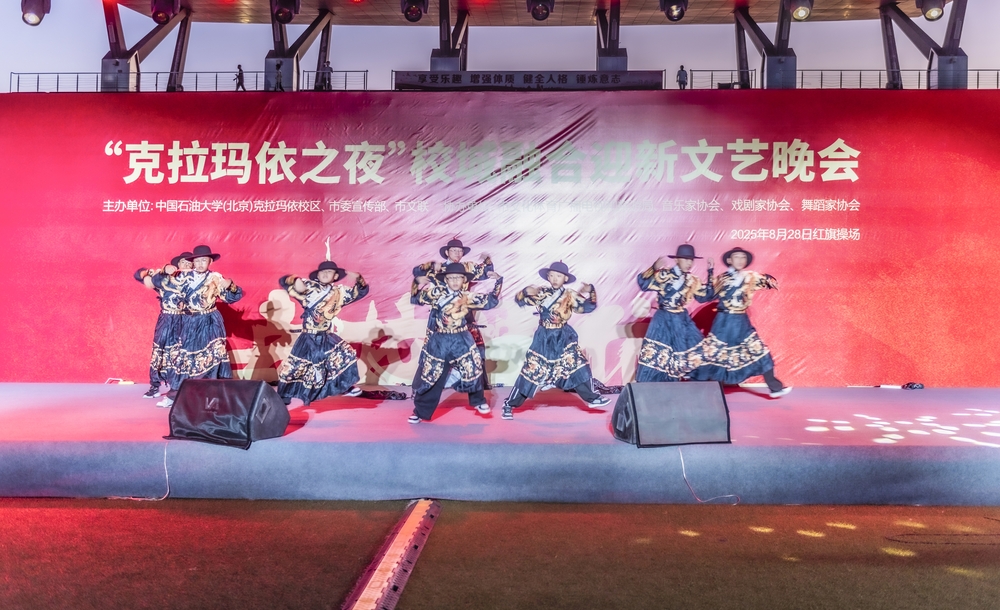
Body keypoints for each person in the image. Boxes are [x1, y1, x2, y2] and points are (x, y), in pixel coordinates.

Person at [502, 261, 610, 420]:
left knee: (576, 364)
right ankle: (510, 404)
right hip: (544, 337)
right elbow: (520, 300)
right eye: (551, 275)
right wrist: (525, 291)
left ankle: (592, 398)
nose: (554, 278)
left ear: (565, 278)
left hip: (563, 336)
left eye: (558, 276)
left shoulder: (570, 295)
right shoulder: (541, 292)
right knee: (532, 370)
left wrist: (591, 291)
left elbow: (589, 306)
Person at [408, 263, 503, 423]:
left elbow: (490, 301)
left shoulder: (467, 297)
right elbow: (416, 298)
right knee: (433, 374)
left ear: (463, 280)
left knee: (473, 366)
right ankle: (420, 411)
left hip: (461, 338)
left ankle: (478, 401)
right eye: (451, 278)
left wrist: (498, 282)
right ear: (446, 279)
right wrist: (417, 282)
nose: (454, 281)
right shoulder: (436, 293)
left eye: (458, 278)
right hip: (440, 340)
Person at [691, 247, 791, 398]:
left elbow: (771, 283)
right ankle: (700, 391)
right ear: (729, 260)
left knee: (759, 350)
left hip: (742, 322)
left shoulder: (751, 277)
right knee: (714, 356)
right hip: (723, 322)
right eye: (736, 257)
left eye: (743, 257)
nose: (740, 260)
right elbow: (706, 297)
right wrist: (710, 272)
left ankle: (775, 388)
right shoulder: (722, 279)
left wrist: (768, 279)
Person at [151, 245, 243, 408]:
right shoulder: (183, 276)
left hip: (210, 321)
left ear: (210, 262)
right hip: (189, 322)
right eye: (198, 261)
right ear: (193, 262)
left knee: (212, 358)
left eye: (204, 261)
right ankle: (174, 396)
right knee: (185, 359)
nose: (200, 264)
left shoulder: (215, 277)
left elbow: (230, 298)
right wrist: (165, 270)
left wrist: (231, 286)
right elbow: (158, 282)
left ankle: (211, 398)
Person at [276, 261, 369, 406]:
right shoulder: (311, 286)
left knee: (345, 353)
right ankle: (283, 396)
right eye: (322, 272)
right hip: (308, 336)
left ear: (335, 276)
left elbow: (359, 292)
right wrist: (295, 280)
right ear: (317, 275)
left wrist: (359, 279)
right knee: (296, 367)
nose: (325, 274)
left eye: (329, 272)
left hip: (325, 335)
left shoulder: (340, 293)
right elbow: (294, 286)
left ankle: (345, 386)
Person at [412, 238, 498, 388]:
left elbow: (485, 272)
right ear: (447, 252)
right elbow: (416, 272)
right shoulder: (438, 269)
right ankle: (422, 384)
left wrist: (487, 260)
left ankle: (478, 384)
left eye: (460, 251)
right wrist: (431, 265)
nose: (457, 253)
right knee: (432, 348)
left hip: (463, 311)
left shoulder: (467, 267)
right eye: (454, 250)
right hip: (440, 315)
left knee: (474, 345)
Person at [635, 244, 715, 382]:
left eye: (691, 260)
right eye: (685, 259)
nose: (689, 263)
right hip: (663, 319)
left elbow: (705, 296)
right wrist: (654, 268)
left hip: (681, 319)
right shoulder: (664, 275)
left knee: (699, 350)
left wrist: (710, 273)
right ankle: (656, 387)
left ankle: (689, 380)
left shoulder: (692, 280)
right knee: (660, 354)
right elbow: (643, 284)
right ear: (677, 259)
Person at [134, 252, 193, 399]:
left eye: (189, 263)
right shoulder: (164, 278)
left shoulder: (195, 279)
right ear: (177, 265)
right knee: (159, 351)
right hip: (166, 319)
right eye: (183, 262)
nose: (186, 265)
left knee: (181, 353)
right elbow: (138, 274)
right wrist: (160, 271)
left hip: (186, 320)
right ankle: (155, 386)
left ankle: (178, 387)